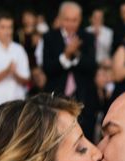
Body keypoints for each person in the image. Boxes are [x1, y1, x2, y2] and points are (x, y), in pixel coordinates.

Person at [42, 1, 97, 140]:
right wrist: (66, 55)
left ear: (80, 19)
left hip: (83, 99)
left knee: (85, 137)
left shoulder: (88, 37)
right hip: (56, 98)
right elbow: (48, 68)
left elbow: (92, 66)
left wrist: (76, 54)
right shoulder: (49, 37)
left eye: (75, 20)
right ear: (60, 18)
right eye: (67, 19)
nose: (71, 24)